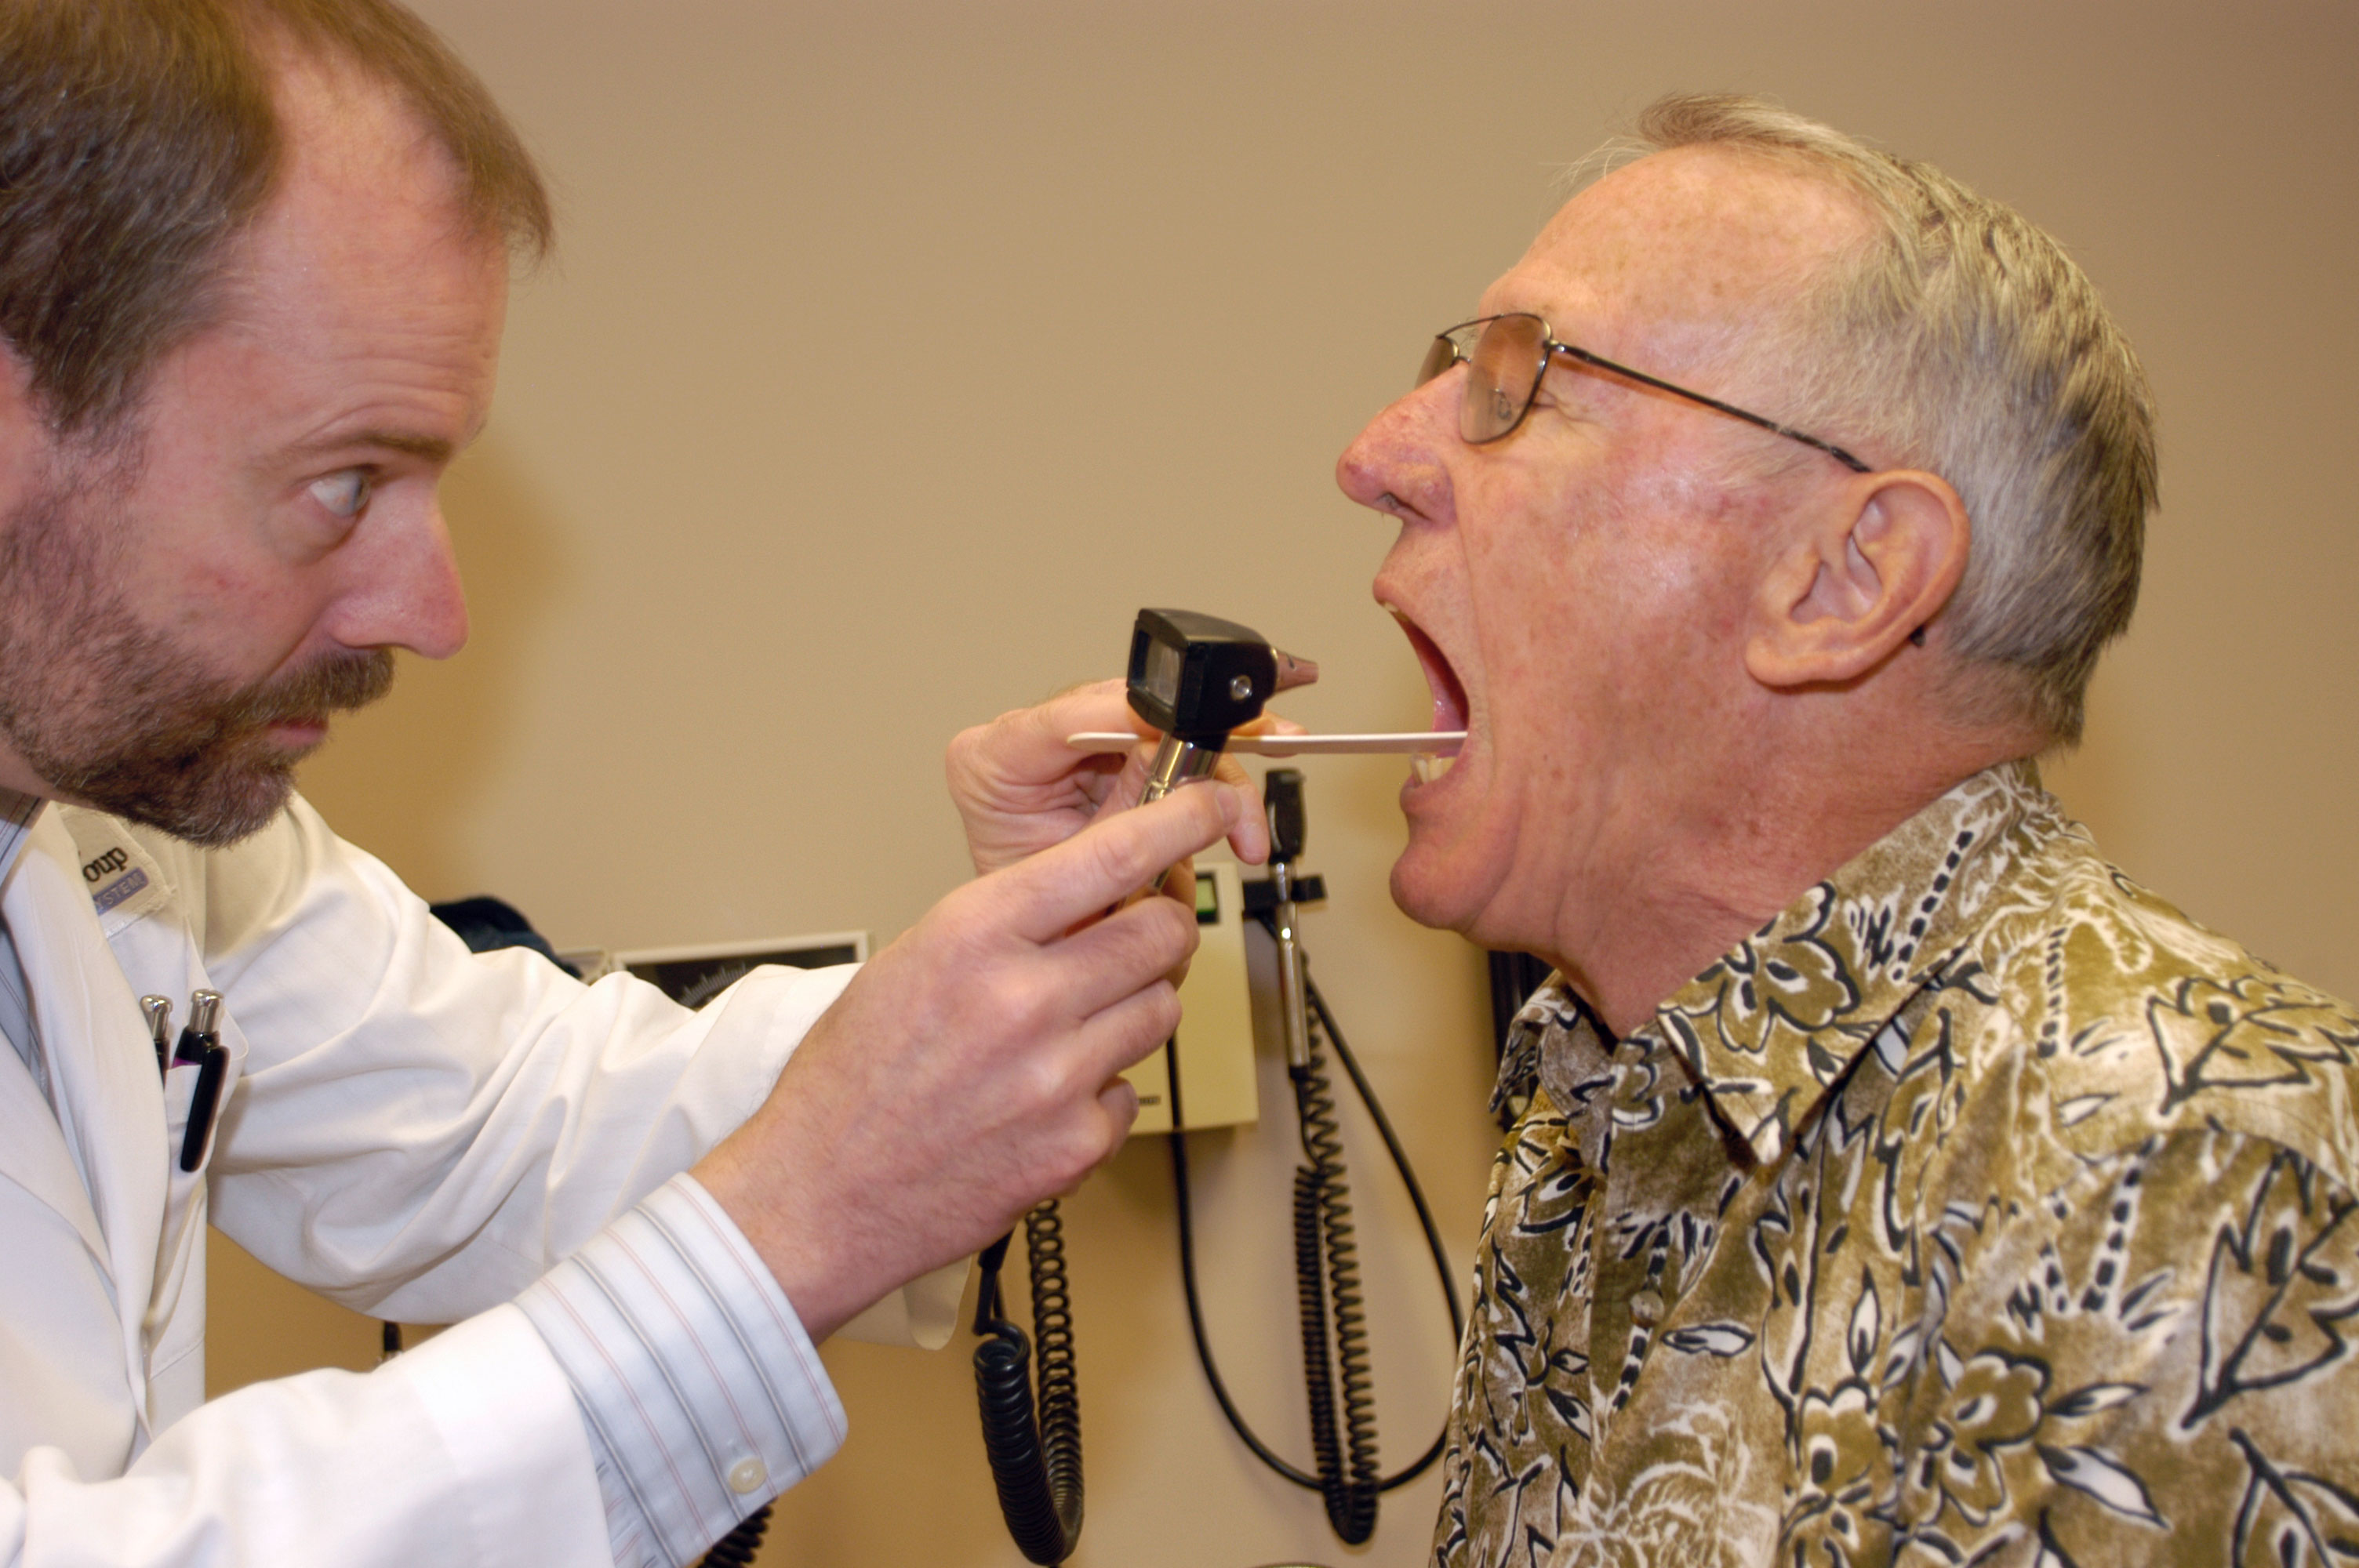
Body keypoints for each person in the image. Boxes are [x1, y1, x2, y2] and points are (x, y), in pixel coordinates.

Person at [0, 2, 1264, 1564]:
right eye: (345, 483)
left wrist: (984, 1002)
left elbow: (498, 1123)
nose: (435, 615)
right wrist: (782, 1232)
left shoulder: (121, 804)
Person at [1336, 93, 2359, 1567]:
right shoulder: (1592, 1107)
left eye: (1520, 382)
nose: (1377, 454)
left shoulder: (2212, 1172)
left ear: (1847, 580)